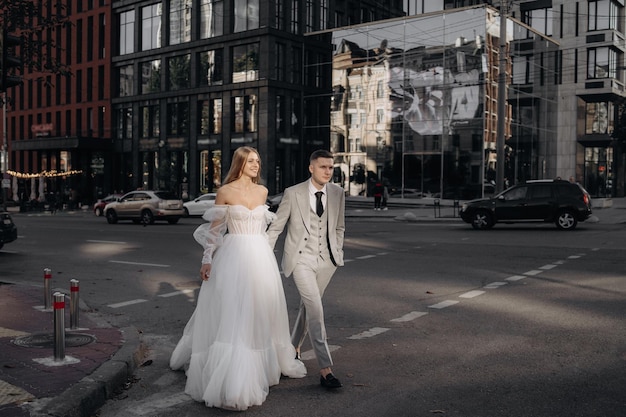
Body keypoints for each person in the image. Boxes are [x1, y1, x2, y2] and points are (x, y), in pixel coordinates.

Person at [170, 146, 306, 411]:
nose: (257, 165)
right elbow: (214, 231)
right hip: (233, 256)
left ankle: (264, 365)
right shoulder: (225, 191)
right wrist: (207, 259)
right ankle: (233, 373)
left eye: (258, 160)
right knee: (234, 313)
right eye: (252, 161)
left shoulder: (263, 191)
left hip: (260, 256)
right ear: (240, 163)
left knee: (260, 310)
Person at [267, 150, 345, 390]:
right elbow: (277, 227)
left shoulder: (338, 193)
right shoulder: (293, 193)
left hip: (327, 261)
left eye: (331, 167)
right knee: (315, 309)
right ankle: (325, 369)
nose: (328, 172)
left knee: (307, 307)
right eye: (323, 167)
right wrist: (261, 254)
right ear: (311, 168)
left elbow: (340, 226)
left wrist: (337, 251)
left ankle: (293, 348)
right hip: (301, 259)